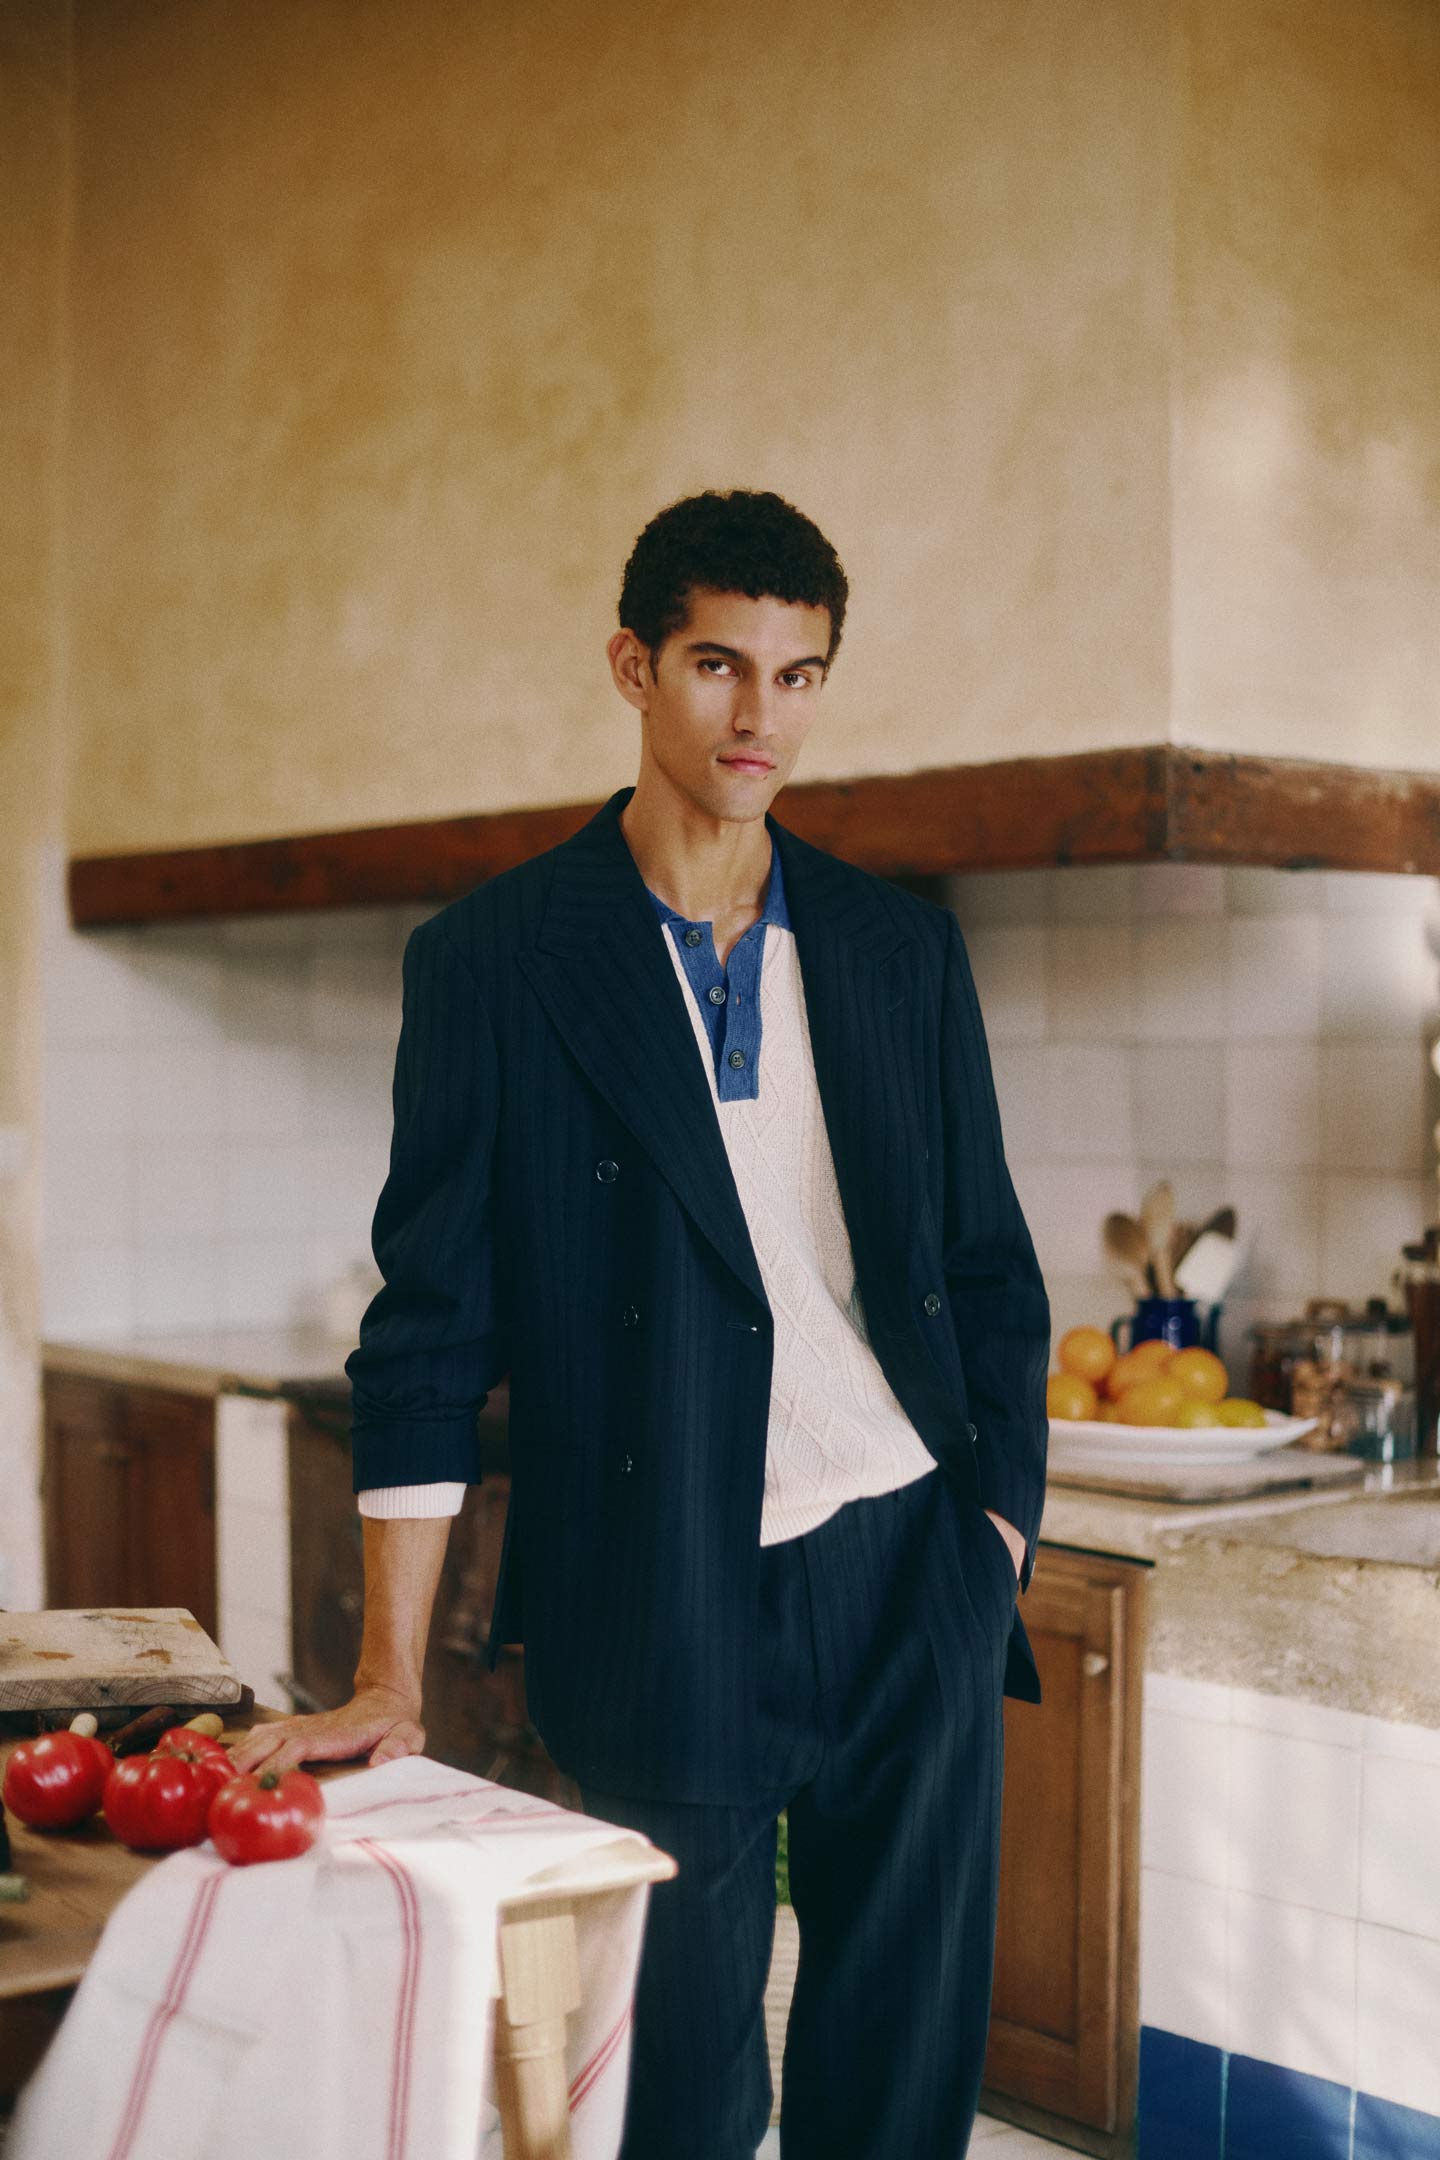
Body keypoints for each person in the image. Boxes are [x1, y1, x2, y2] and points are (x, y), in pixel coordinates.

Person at [232, 488, 1050, 2158]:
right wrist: (388, 1671)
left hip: (911, 1572)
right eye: (717, 665)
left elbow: (987, 1268)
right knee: (676, 2100)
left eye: (799, 676)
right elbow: (429, 1332)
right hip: (662, 1581)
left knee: (900, 2095)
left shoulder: (900, 953)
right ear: (633, 667)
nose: (762, 718)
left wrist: (995, 1539)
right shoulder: (496, 961)